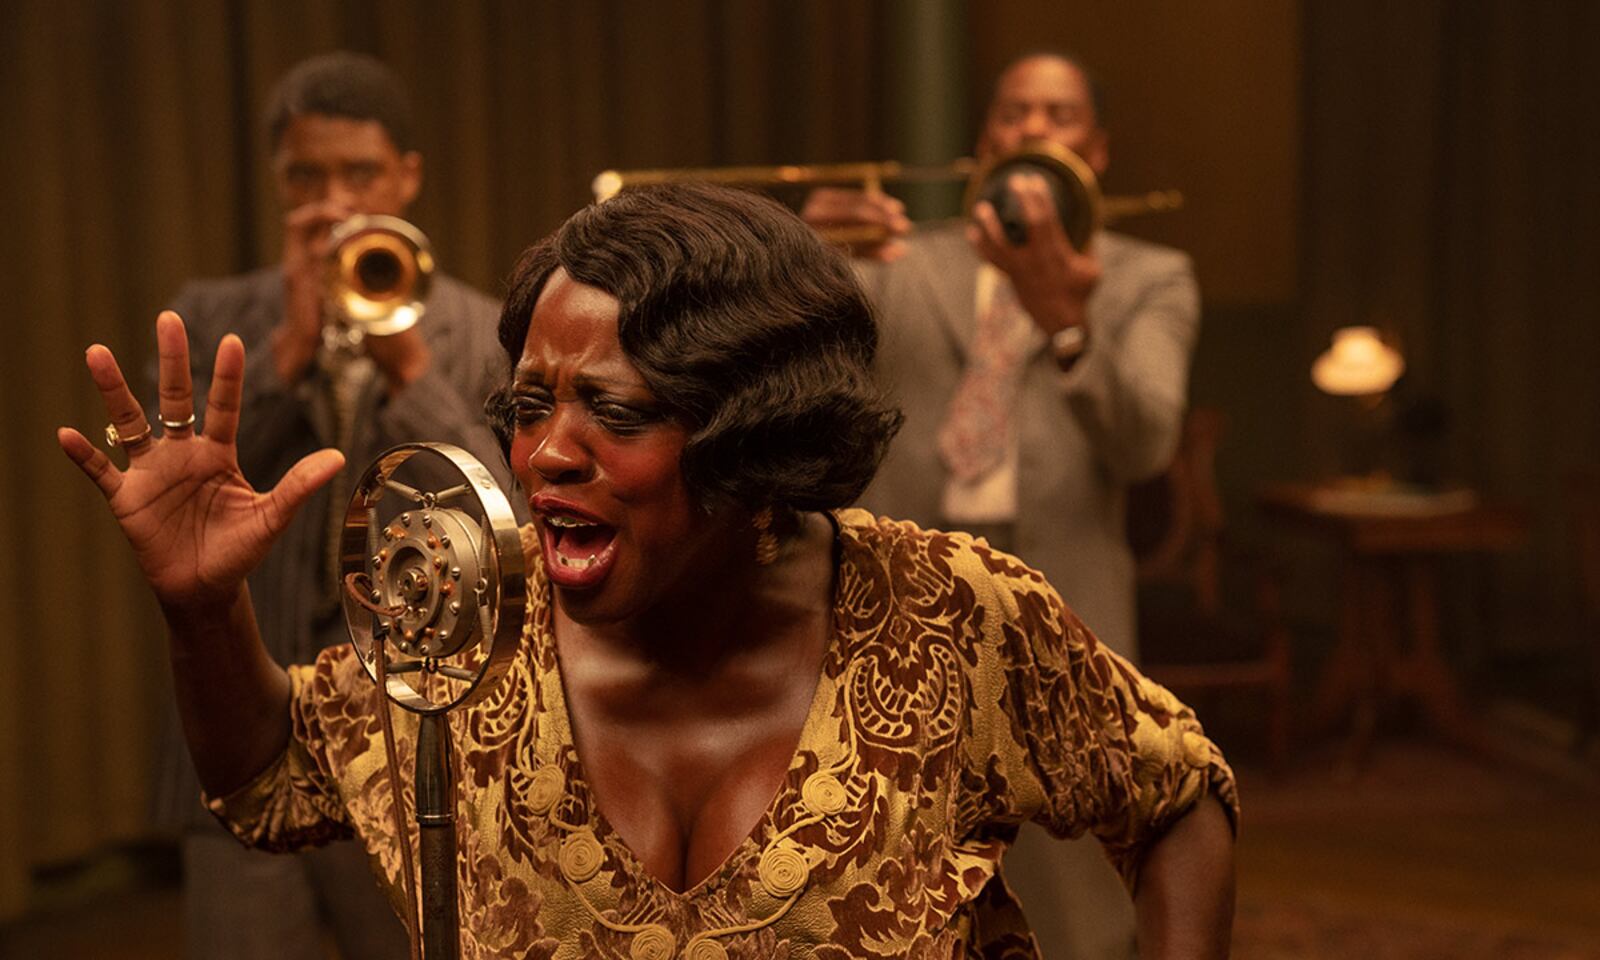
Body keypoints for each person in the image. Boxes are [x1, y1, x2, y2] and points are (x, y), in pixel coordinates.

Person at [62, 182, 1234, 959]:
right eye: (528, 406)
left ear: (756, 436)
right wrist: (204, 609)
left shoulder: (948, 617)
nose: (547, 454)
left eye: (613, 411)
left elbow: (1177, 794)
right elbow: (266, 778)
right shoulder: (467, 625)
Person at [802, 52, 1201, 958]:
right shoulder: (902, 263)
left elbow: (1145, 447)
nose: (1033, 130)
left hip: (1070, 607)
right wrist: (803, 252)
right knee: (894, 863)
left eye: (1058, 115)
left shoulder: (1150, 277)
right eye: (1015, 113)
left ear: (1095, 151)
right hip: (902, 603)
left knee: (1076, 886)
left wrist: (1066, 319)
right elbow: (795, 366)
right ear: (985, 144)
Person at [145, 51, 514, 960]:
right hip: (248, 735)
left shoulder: (480, 330)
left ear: (408, 178)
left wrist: (411, 369)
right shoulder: (211, 314)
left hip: (419, 744)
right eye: (307, 176)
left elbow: (505, 521)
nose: (336, 199)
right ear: (277, 183)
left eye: (361, 174)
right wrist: (286, 351)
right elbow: (164, 500)